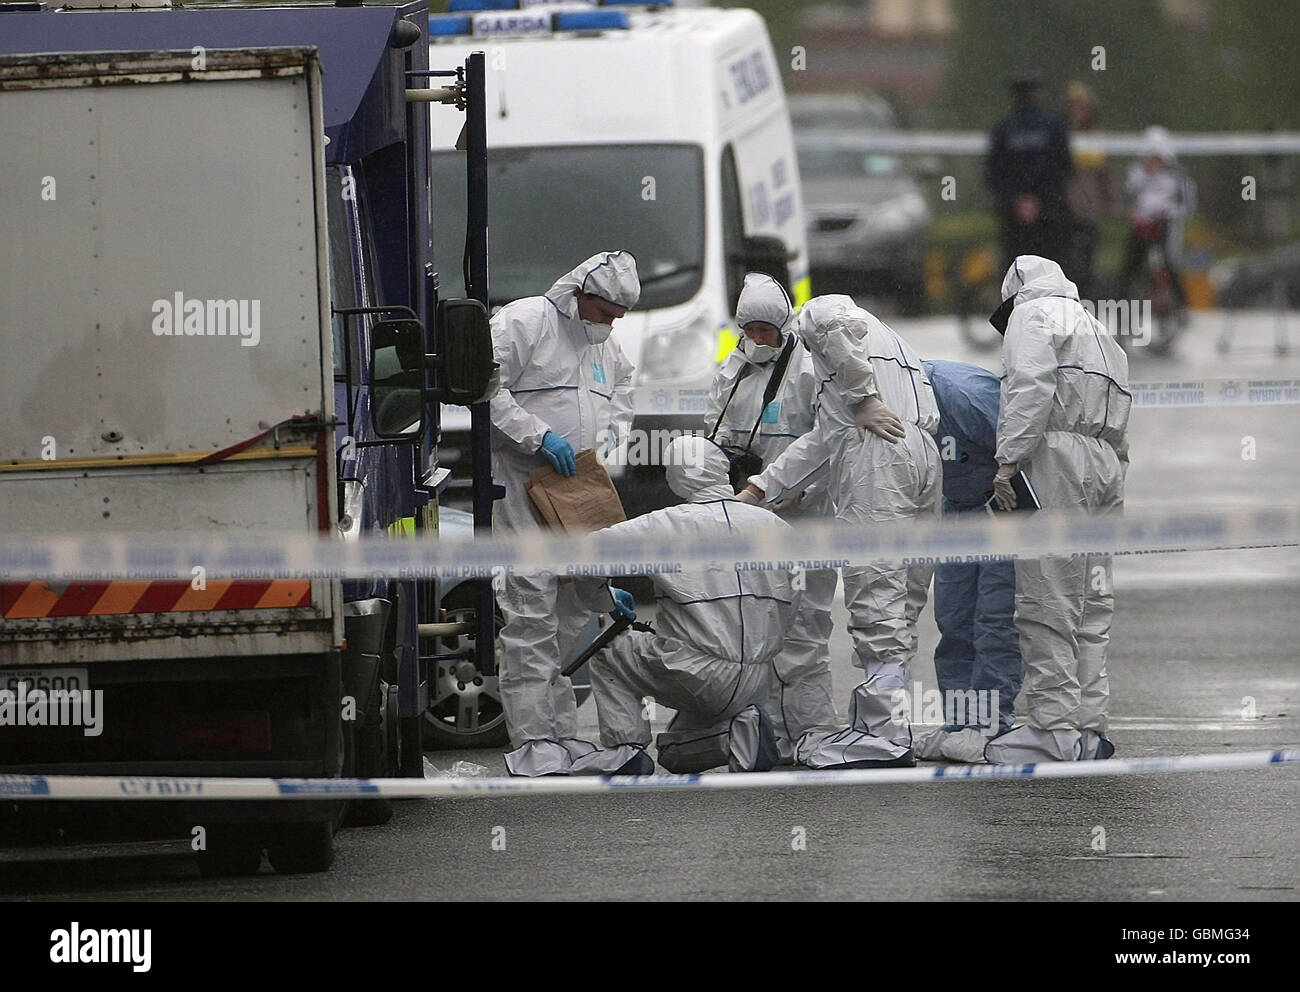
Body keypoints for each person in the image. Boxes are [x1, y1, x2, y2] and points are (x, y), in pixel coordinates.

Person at [738, 296, 941, 768]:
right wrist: (759, 489)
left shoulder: (826, 313)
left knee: (876, 591)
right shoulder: (888, 338)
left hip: (879, 451)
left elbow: (830, 324)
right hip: (920, 450)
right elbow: (823, 439)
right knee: (903, 594)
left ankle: (882, 732)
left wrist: (862, 397)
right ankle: (889, 723)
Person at [489, 250, 646, 777]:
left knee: (574, 615)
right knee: (530, 615)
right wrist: (538, 435)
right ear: (579, 293)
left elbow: (623, 386)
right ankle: (533, 744)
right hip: (522, 488)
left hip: (578, 490)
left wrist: (612, 437)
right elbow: (484, 390)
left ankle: (558, 736)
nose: (609, 325)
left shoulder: (605, 347)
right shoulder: (524, 321)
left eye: (617, 318)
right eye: (604, 314)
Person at [572, 434, 797, 773]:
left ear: (675, 476)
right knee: (674, 756)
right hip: (756, 676)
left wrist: (604, 600)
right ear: (723, 471)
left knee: (607, 650)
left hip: (694, 671)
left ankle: (625, 749)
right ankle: (736, 731)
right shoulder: (775, 526)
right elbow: (796, 599)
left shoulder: (664, 524)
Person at [984, 255, 1131, 763]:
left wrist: (1008, 462)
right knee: (1092, 603)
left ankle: (1052, 729)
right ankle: (1089, 728)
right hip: (1105, 461)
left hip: (1054, 458)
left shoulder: (1033, 314)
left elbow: (1030, 386)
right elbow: (1121, 411)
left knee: (1047, 598)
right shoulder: (1097, 327)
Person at [705, 273, 838, 760]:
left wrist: (794, 493)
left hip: (807, 518)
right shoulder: (732, 371)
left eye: (768, 332)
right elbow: (715, 441)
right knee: (758, 630)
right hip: (752, 517)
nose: (759, 341)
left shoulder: (809, 371)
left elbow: (828, 441)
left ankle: (813, 732)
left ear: (785, 329)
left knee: (805, 630)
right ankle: (771, 738)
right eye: (752, 330)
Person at [913, 360, 1024, 763]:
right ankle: (959, 723)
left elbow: (1025, 449)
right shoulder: (891, 395)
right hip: (957, 508)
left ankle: (991, 723)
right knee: (954, 617)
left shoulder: (962, 396)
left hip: (1000, 509)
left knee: (994, 619)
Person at [986, 75, 1073, 272]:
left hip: (1019, 215)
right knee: (1049, 269)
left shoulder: (1003, 129)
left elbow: (994, 174)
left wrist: (1017, 200)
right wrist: (1038, 199)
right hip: (1047, 212)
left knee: (1016, 270)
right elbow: (1064, 169)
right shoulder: (1053, 126)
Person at [1119, 125, 1196, 319]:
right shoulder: (1136, 174)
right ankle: (1122, 307)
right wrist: (1136, 214)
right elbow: (1129, 198)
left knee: (1170, 264)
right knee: (1130, 267)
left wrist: (1167, 213)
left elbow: (1186, 204)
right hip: (1142, 227)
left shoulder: (1178, 176)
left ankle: (1180, 307)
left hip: (1165, 227)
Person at [1064, 81, 1113, 302]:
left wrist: (1108, 203)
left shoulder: (1096, 136)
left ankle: (1086, 307)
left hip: (1089, 210)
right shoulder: (1063, 135)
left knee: (1087, 265)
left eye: (1082, 106)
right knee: (1067, 264)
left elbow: (1104, 175)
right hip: (1066, 210)